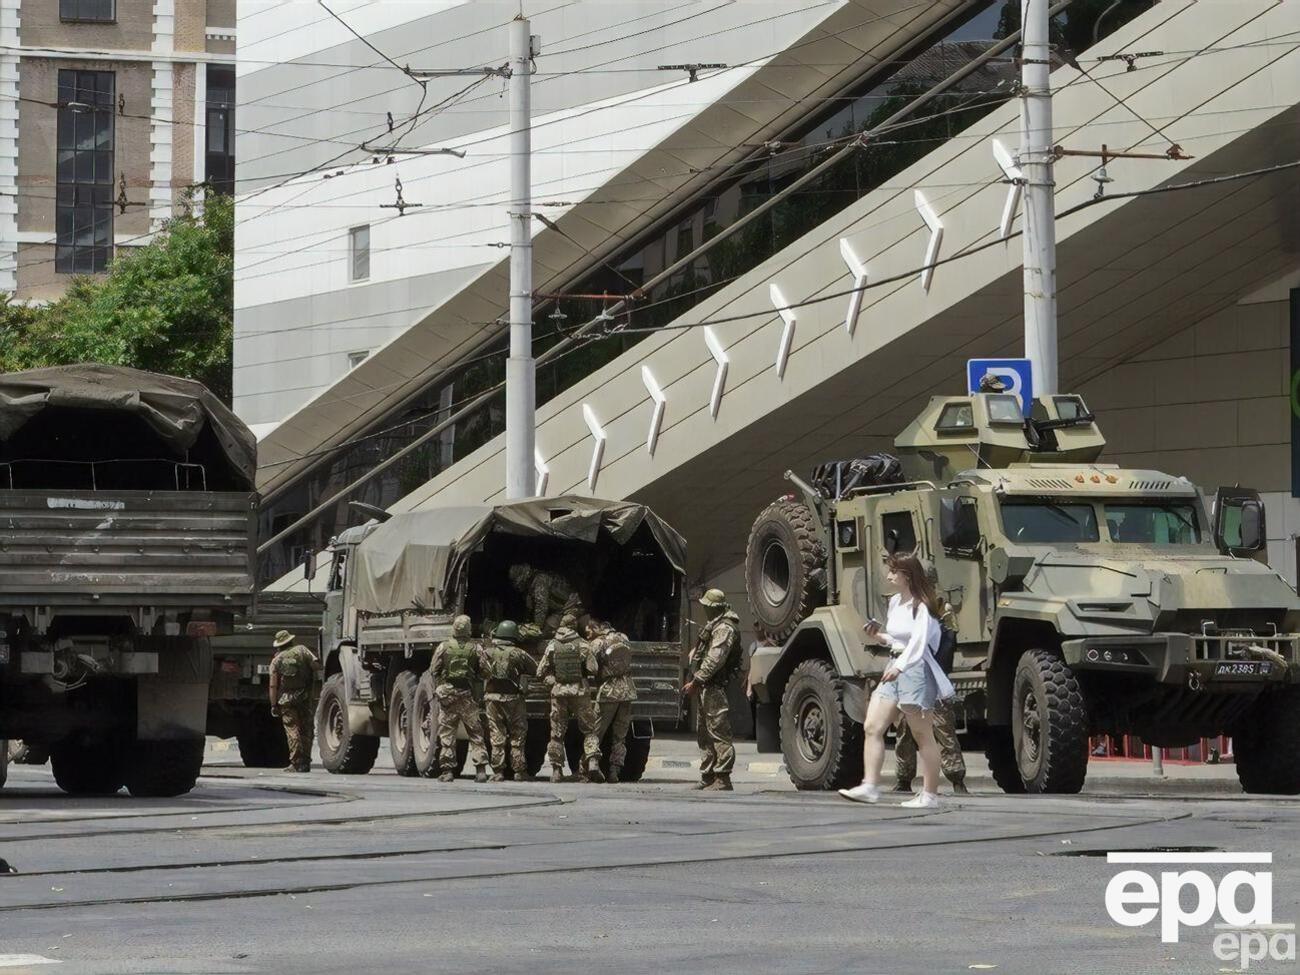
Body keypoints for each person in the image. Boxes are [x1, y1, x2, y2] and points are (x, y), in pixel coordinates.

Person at [839, 551, 955, 808]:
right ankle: (870, 786)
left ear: (907, 575)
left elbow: (918, 643)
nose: (889, 575)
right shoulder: (894, 603)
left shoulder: (922, 606)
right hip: (895, 665)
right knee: (872, 725)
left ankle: (930, 795)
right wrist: (879, 637)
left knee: (922, 734)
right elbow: (899, 639)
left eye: (894, 571)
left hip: (916, 669)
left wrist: (900, 667)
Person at [894, 593, 967, 794]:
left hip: (932, 684)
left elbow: (945, 653)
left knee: (943, 732)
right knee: (906, 733)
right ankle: (903, 779)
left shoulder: (940, 616)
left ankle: (957, 779)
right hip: (911, 683)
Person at [683, 588, 742, 792]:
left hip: (713, 686)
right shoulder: (714, 625)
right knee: (704, 733)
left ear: (714, 607)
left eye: (706, 606)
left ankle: (723, 777)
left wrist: (696, 681)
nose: (704, 609)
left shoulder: (724, 628)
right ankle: (708, 775)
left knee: (718, 732)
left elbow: (715, 659)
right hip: (706, 687)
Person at [536, 613, 603, 783]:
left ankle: (556, 771)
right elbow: (593, 669)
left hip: (559, 692)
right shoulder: (583, 645)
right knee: (589, 729)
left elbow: (540, 671)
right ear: (574, 627)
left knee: (557, 733)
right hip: (580, 692)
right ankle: (593, 761)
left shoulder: (552, 645)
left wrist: (552, 680)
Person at [428, 614, 490, 784]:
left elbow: (434, 670)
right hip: (467, 696)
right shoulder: (476, 648)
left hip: (448, 697)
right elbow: (486, 671)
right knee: (476, 733)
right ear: (468, 630)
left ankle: (447, 771)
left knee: (447, 734)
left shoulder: (443, 647)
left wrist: (440, 688)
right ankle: (481, 770)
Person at [480, 619, 538, 782]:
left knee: (496, 735)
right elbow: (536, 670)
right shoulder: (519, 653)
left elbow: (479, 671)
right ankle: (519, 771)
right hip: (514, 699)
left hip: (492, 699)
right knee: (517, 735)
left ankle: (498, 771)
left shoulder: (487, 652)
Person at [588, 620, 636, 784]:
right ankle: (614, 770)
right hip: (628, 690)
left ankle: (593, 763)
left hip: (608, 691)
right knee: (620, 736)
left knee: (595, 731)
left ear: (598, 628)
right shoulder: (624, 638)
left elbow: (591, 666)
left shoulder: (598, 643)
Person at [268, 629, 322, 773]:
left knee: (292, 729)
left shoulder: (276, 660)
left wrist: (273, 704)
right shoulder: (302, 650)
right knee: (307, 729)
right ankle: (306, 762)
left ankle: (296, 762)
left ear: (279, 645)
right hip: (305, 697)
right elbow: (317, 666)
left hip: (286, 701)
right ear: (291, 641)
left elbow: (273, 685)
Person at [508, 563, 583, 635]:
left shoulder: (540, 579)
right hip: (559, 611)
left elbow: (541, 604)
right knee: (546, 631)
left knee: (557, 632)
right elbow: (530, 607)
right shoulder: (530, 586)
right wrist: (527, 623)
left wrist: (537, 626)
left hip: (571, 607)